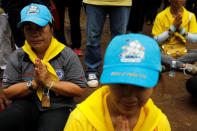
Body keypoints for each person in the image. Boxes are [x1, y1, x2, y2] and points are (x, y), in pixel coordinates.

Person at [0, 3, 86, 131]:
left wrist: (49, 83)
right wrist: (34, 83)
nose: (35, 34)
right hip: (28, 103)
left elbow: (79, 88)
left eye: (40, 28)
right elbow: (8, 91)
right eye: (29, 28)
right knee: (6, 120)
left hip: (59, 105)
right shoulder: (18, 56)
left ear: (51, 28)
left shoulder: (66, 54)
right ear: (23, 31)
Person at [64, 33, 171, 131]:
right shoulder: (80, 121)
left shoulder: (159, 125)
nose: (130, 96)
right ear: (109, 82)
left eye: (140, 86)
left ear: (155, 84)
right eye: (121, 85)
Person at [83, 0, 131, 88]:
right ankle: (92, 69)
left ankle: (116, 69)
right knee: (92, 37)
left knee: (119, 40)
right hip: (94, 2)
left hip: (122, 2)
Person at [152, 0, 197, 74]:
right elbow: (156, 40)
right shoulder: (161, 15)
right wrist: (172, 28)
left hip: (182, 51)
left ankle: (166, 66)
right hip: (163, 52)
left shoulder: (190, 16)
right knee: (153, 53)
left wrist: (181, 30)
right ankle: (184, 65)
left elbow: (194, 40)